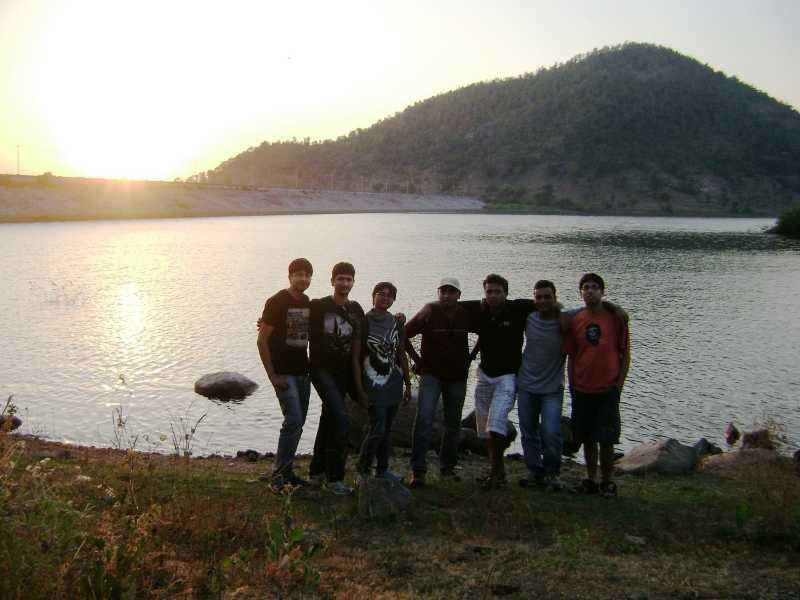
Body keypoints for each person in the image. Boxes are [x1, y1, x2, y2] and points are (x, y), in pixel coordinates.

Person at [563, 273, 631, 498]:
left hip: (608, 389)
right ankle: (591, 478)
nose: (589, 291)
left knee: (607, 438)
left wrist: (618, 385)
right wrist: (572, 384)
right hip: (582, 388)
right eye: (585, 287)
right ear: (580, 292)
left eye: (594, 287)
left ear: (602, 291)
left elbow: (625, 354)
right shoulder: (577, 320)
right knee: (587, 438)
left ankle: (607, 481)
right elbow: (572, 355)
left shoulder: (616, 318)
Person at [466, 275, 533, 490]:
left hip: (508, 376)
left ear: (506, 293)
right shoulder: (480, 310)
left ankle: (498, 471)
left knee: (496, 424)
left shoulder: (519, 308)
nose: (493, 295)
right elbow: (447, 304)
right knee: (484, 428)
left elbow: (550, 305)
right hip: (485, 375)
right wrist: (470, 356)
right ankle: (495, 470)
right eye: (489, 292)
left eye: (497, 292)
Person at [405, 277, 473, 487]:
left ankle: (448, 467)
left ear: (459, 295)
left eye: (451, 292)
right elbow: (403, 334)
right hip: (431, 375)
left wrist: (472, 357)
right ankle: (418, 470)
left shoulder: (466, 314)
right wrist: (417, 361)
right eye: (443, 291)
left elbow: (486, 329)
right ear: (438, 293)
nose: (446, 295)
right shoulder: (429, 313)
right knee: (424, 418)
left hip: (457, 377)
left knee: (453, 423)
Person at [307, 262, 364, 496]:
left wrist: (398, 319)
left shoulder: (356, 310)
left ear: (353, 282)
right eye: (340, 278)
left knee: (328, 419)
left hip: (343, 373)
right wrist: (265, 322)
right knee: (341, 419)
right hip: (321, 370)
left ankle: (316, 473)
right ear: (332, 281)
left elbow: (367, 332)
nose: (344, 283)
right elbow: (293, 319)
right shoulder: (319, 306)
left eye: (349, 279)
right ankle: (335, 479)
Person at [256, 258, 313, 492]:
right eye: (298, 274)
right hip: (283, 373)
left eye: (307, 275)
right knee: (293, 421)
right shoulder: (276, 301)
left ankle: (288, 472)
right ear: (289, 276)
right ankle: (279, 476)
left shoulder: (307, 302)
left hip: (303, 372)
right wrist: (272, 376)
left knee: (298, 424)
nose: (303, 279)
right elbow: (262, 341)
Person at [353, 282, 412, 481]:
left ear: (393, 299)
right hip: (372, 382)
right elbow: (355, 356)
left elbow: (401, 352)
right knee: (377, 427)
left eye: (389, 296)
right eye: (381, 294)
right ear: (373, 296)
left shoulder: (396, 323)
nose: (385, 298)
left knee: (387, 429)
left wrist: (408, 382)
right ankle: (363, 466)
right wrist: (359, 388)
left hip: (394, 382)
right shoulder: (364, 321)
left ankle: (382, 470)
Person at [516, 280, 567, 492]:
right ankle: (535, 470)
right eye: (539, 297)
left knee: (551, 432)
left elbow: (592, 311)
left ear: (555, 298)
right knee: (528, 431)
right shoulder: (528, 318)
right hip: (526, 384)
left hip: (552, 388)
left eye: (547, 297)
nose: (543, 301)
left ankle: (552, 473)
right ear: (533, 299)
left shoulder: (565, 321)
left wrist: (615, 309)